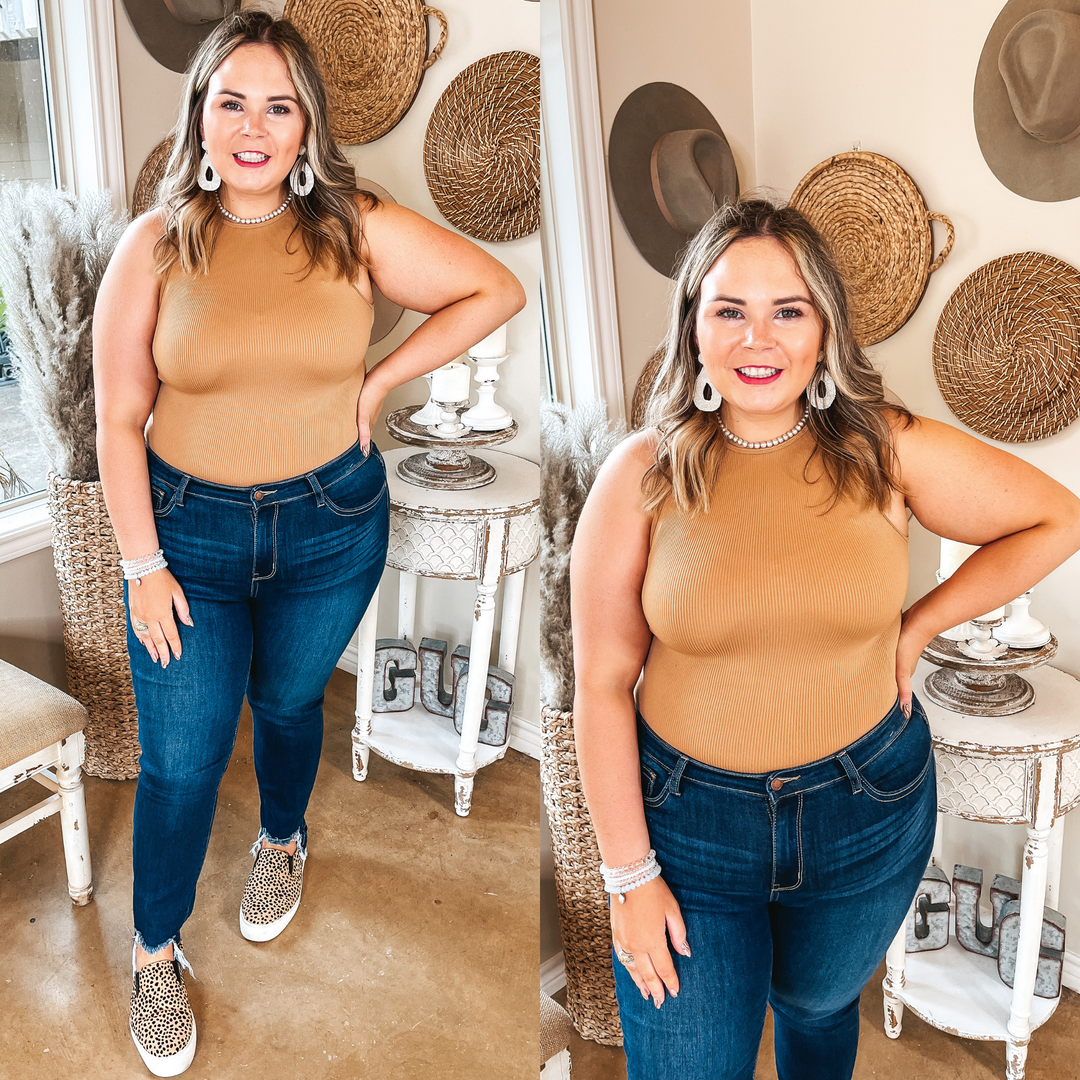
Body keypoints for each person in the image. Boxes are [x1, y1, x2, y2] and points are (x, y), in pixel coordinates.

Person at [93, 12, 525, 1077]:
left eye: (278, 106)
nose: (254, 126)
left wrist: (376, 381)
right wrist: (143, 565)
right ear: (201, 117)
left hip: (331, 524)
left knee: (290, 707)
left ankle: (282, 838)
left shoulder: (354, 225)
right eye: (231, 101)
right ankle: (155, 951)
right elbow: (114, 422)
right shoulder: (153, 248)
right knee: (183, 761)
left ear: (305, 127)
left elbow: (495, 289)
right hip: (186, 535)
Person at [569, 198, 1080, 1080]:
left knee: (816, 1009)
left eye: (788, 311)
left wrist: (919, 624)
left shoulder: (883, 448)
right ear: (694, 327)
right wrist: (628, 875)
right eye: (729, 310)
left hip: (866, 809)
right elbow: (602, 682)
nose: (756, 339)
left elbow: (1051, 517)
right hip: (687, 827)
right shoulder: (640, 474)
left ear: (823, 331)